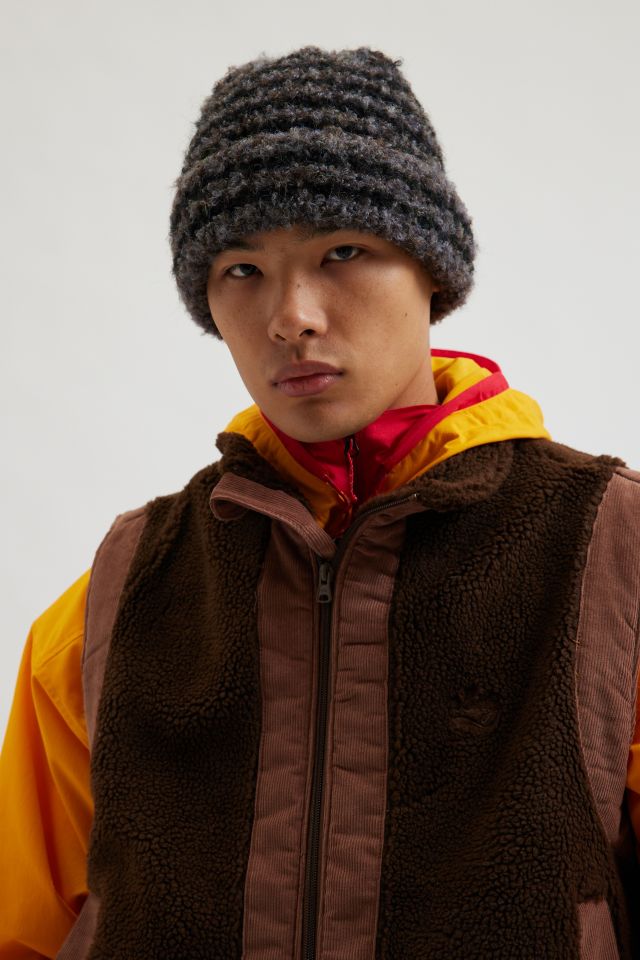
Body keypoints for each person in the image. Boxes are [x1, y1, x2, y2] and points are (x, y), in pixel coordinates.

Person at [1, 44, 639, 960]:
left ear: (430, 268)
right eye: (241, 269)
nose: (290, 315)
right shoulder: (114, 602)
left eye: (344, 250)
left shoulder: (614, 559)